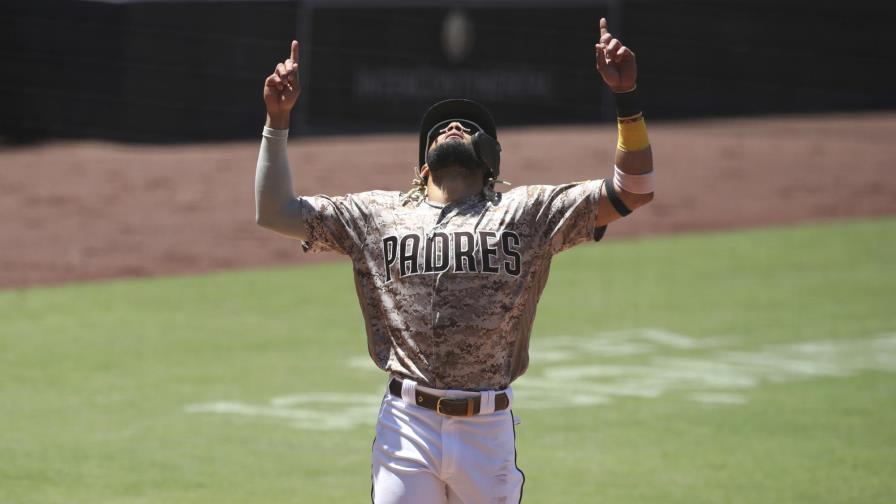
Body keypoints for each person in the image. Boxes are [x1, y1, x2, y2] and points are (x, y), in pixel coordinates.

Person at [255, 17, 654, 504]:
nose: (452, 126)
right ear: (423, 167)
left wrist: (627, 98)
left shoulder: (526, 212)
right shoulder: (379, 215)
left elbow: (633, 189)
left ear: (491, 163)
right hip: (407, 425)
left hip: (486, 431)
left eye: (467, 127)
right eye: (440, 128)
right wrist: (277, 122)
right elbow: (274, 212)